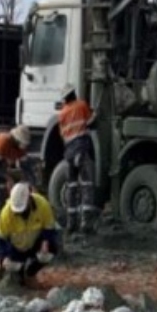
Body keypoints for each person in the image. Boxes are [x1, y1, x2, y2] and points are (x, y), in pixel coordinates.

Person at [0, 182, 62, 292]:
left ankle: (30, 272)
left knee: (49, 252)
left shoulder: (42, 204)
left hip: (35, 243)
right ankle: (11, 271)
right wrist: (3, 257)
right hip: (16, 248)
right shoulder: (6, 212)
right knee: (15, 273)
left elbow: (49, 227)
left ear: (29, 199)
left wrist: (45, 241)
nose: (20, 213)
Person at [57, 85, 98, 232]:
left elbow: (63, 136)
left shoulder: (61, 114)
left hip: (69, 154)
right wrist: (97, 113)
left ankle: (70, 224)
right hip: (81, 150)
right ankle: (86, 224)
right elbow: (91, 121)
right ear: (73, 94)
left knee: (72, 187)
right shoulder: (81, 105)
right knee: (87, 185)